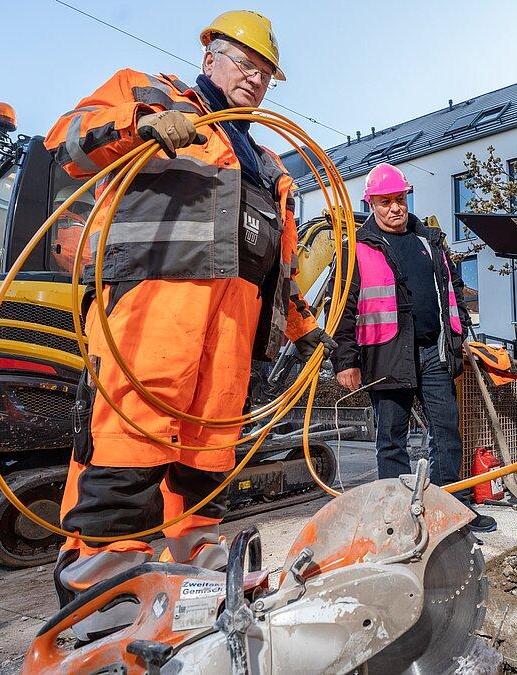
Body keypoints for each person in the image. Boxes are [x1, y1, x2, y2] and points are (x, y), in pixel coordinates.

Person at [44, 10, 334, 627]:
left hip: (232, 328)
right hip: (152, 309)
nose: (255, 81)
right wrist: (140, 125)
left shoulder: (267, 163)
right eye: (245, 65)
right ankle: (106, 586)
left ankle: (193, 571)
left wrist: (305, 331)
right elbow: (70, 141)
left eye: (266, 75)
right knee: (130, 437)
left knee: (206, 454)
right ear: (211, 59)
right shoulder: (149, 94)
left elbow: (279, 262)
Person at [331, 163, 496, 533]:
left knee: (447, 432)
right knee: (392, 439)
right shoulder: (356, 248)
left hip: (433, 353)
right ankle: (399, 517)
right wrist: (345, 360)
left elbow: (454, 292)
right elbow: (341, 308)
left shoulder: (430, 242)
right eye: (385, 201)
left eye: (400, 199)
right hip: (387, 355)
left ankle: (449, 512)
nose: (395, 208)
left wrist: (459, 337)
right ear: (371, 204)